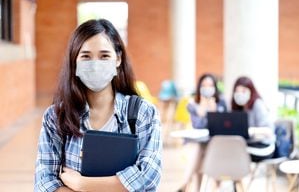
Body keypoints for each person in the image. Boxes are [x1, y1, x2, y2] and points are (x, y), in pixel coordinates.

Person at [34, 19, 162, 192]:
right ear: (75, 62)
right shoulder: (56, 116)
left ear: (118, 59)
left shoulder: (143, 113)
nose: (95, 64)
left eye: (104, 56)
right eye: (86, 56)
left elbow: (148, 176)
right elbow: (44, 183)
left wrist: (82, 185)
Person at [177, 73, 227, 192]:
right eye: (204, 85)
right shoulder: (193, 104)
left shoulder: (222, 102)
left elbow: (222, 126)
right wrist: (203, 110)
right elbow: (198, 126)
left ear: (215, 87)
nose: (207, 88)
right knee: (199, 148)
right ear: (199, 87)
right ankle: (189, 186)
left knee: (200, 152)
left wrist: (214, 111)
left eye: (210, 85)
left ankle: (185, 185)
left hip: (217, 143)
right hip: (200, 142)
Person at [231, 76, 275, 161]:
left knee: (233, 153)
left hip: (264, 145)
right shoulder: (239, 108)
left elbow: (269, 130)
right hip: (247, 143)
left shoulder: (258, 104)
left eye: (243, 91)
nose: (240, 94)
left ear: (251, 91)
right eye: (237, 91)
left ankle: (241, 174)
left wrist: (250, 131)